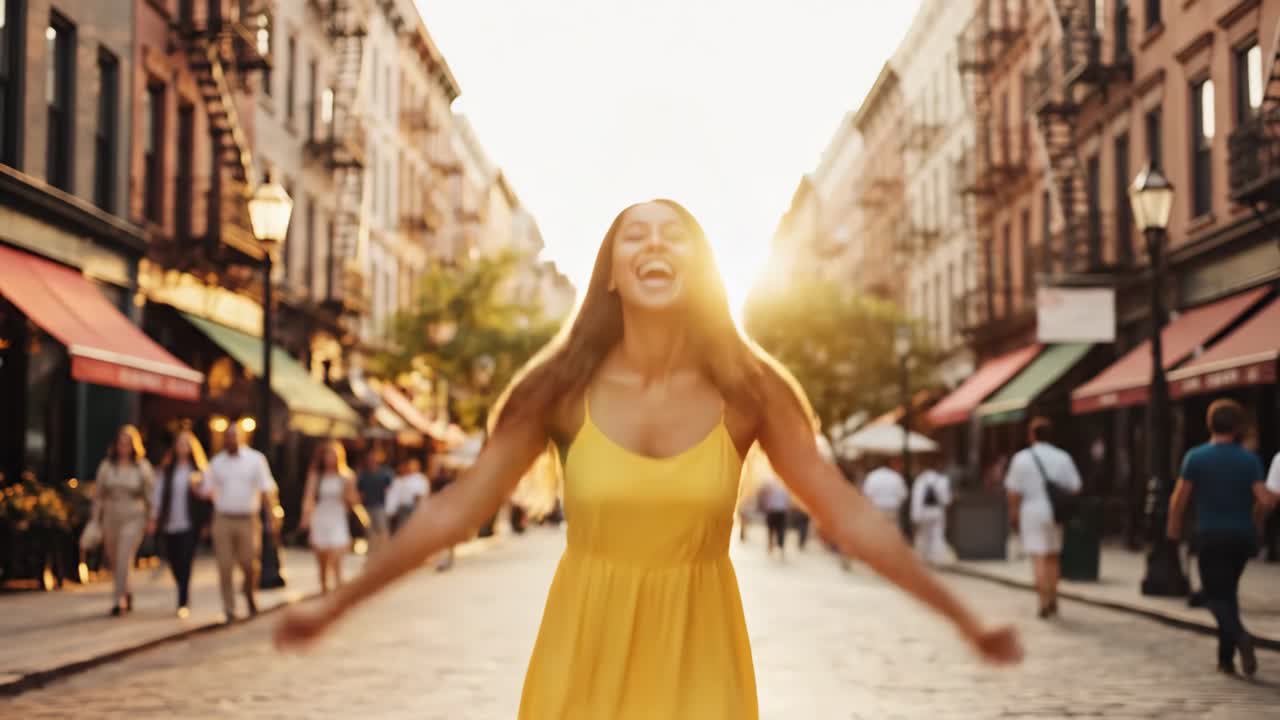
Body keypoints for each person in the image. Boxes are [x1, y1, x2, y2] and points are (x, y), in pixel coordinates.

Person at [275, 199, 1021, 718]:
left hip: (701, 668)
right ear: (609, 271)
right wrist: (336, 604)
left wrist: (962, 617)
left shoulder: (752, 390)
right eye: (635, 234)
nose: (655, 244)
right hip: (582, 657)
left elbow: (847, 512)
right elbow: (453, 511)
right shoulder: (558, 389)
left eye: (676, 234)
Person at [1168, 399, 1275, 677]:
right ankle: (1225, 660)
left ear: (1210, 424)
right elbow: (1264, 499)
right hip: (1241, 537)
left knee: (1212, 595)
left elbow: (1179, 498)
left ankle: (1241, 637)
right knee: (1227, 593)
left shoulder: (1196, 457)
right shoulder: (1249, 459)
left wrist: (1173, 528)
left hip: (1210, 535)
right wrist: (1257, 520)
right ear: (1237, 426)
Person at [1004, 417, 1081, 619]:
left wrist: (1013, 513)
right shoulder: (1062, 457)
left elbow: (1013, 491)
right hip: (1054, 512)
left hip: (1031, 511)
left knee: (1038, 556)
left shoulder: (1021, 458)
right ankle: (1053, 596)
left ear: (1031, 435)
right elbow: (1075, 486)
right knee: (1053, 557)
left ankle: (1043, 600)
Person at [202, 425, 278, 622]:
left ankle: (250, 594)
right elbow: (207, 489)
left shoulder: (255, 460)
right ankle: (229, 608)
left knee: (249, 563)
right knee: (224, 565)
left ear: (242, 438)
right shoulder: (217, 462)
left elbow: (266, 489)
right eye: (227, 437)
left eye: (233, 436)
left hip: (248, 518)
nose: (230, 440)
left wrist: (272, 514)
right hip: (223, 518)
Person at [92, 425, 155, 616]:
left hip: (133, 514)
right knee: (114, 557)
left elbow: (150, 495)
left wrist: (152, 518)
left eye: (128, 443)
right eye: (121, 443)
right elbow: (99, 495)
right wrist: (95, 520)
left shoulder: (142, 467)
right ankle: (126, 592)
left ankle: (118, 599)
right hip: (111, 515)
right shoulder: (107, 466)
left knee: (124, 555)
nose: (124, 447)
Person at [146, 429, 208, 618]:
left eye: (186, 444)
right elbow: (157, 495)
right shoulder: (166, 471)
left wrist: (198, 489)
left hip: (190, 523)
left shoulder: (198, 470)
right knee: (174, 560)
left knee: (186, 560)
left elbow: (209, 493)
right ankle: (181, 585)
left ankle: (183, 599)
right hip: (170, 522)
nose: (183, 447)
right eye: (180, 443)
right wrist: (153, 518)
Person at [301, 440, 362, 593]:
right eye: (327, 455)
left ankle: (338, 592)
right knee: (322, 561)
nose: (330, 459)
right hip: (321, 517)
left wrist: (349, 495)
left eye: (333, 455)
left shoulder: (347, 476)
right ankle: (324, 590)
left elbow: (353, 501)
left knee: (337, 554)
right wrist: (306, 518)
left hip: (338, 517)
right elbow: (309, 497)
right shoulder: (317, 476)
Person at [911, 457, 952, 564]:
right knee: (937, 535)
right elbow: (946, 500)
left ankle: (923, 559)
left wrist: (915, 517)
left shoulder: (920, 480)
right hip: (937, 511)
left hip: (923, 512)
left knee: (923, 535)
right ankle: (937, 559)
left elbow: (916, 500)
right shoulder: (942, 480)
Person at [356, 449, 393, 555]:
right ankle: (372, 552)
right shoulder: (364, 475)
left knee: (382, 529)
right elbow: (360, 491)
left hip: (380, 506)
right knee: (369, 530)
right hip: (367, 506)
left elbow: (390, 489)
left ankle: (384, 551)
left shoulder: (384, 473)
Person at [862, 457, 908, 531]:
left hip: (876, 508)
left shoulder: (872, 476)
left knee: (878, 531)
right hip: (892, 509)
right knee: (892, 531)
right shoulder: (896, 476)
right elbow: (903, 495)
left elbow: (866, 494)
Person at [386, 458, 430, 535]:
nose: (411, 467)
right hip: (403, 509)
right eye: (410, 465)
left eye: (413, 465)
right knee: (403, 530)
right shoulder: (401, 480)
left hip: (415, 508)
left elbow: (422, 494)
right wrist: (391, 510)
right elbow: (395, 496)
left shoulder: (421, 479)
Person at [757, 470, 790, 557]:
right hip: (774, 511)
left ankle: (777, 546)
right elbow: (764, 497)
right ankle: (773, 545)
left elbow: (787, 499)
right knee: (774, 529)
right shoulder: (772, 485)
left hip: (778, 511)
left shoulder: (782, 485)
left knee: (778, 530)